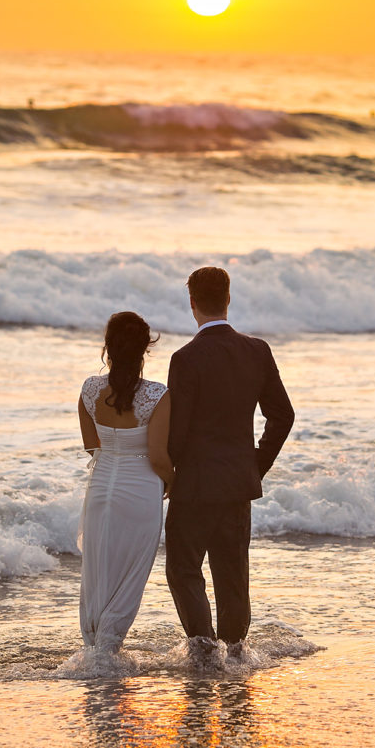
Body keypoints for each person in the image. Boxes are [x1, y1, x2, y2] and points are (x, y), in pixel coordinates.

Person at [166, 266, 294, 659]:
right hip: (238, 483)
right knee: (232, 575)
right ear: (228, 299)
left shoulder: (186, 358)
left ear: (192, 304)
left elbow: (177, 432)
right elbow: (282, 415)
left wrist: (168, 472)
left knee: (184, 569)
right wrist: (255, 464)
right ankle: (236, 652)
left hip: (195, 486)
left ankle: (204, 650)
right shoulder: (256, 350)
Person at [78, 311, 173, 653]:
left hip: (101, 489)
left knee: (98, 571)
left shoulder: (89, 390)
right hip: (141, 492)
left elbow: (93, 447)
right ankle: (109, 649)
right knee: (130, 576)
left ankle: (93, 648)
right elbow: (159, 456)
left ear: (109, 347)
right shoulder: (157, 396)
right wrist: (172, 483)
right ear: (144, 350)